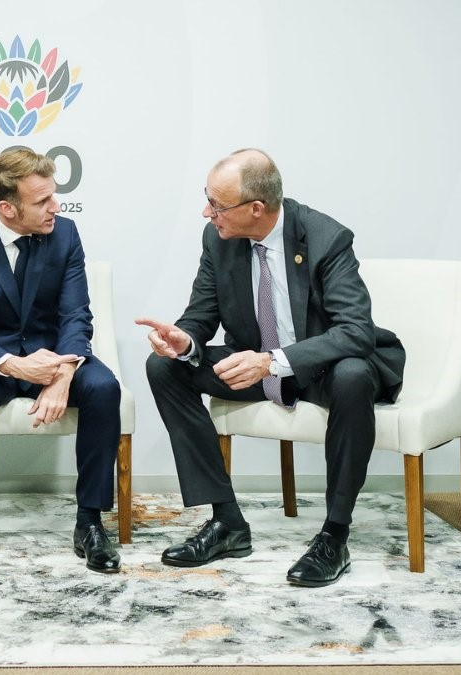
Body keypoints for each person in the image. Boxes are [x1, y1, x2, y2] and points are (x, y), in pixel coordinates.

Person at [137, 148, 404, 587]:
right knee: (164, 367)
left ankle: (334, 536)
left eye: (217, 205)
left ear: (256, 208)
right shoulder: (218, 239)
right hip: (255, 364)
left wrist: (273, 362)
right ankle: (227, 522)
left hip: (319, 369)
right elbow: (201, 314)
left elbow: (356, 331)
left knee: (354, 374)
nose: (207, 213)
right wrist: (184, 341)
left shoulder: (326, 238)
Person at [0, 148, 123, 581]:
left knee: (103, 386)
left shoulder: (66, 234)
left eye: (54, 195)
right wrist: (15, 366)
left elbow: (76, 315)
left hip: (55, 356)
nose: (55, 206)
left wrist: (63, 375)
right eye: (42, 201)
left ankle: (90, 523)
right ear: (7, 208)